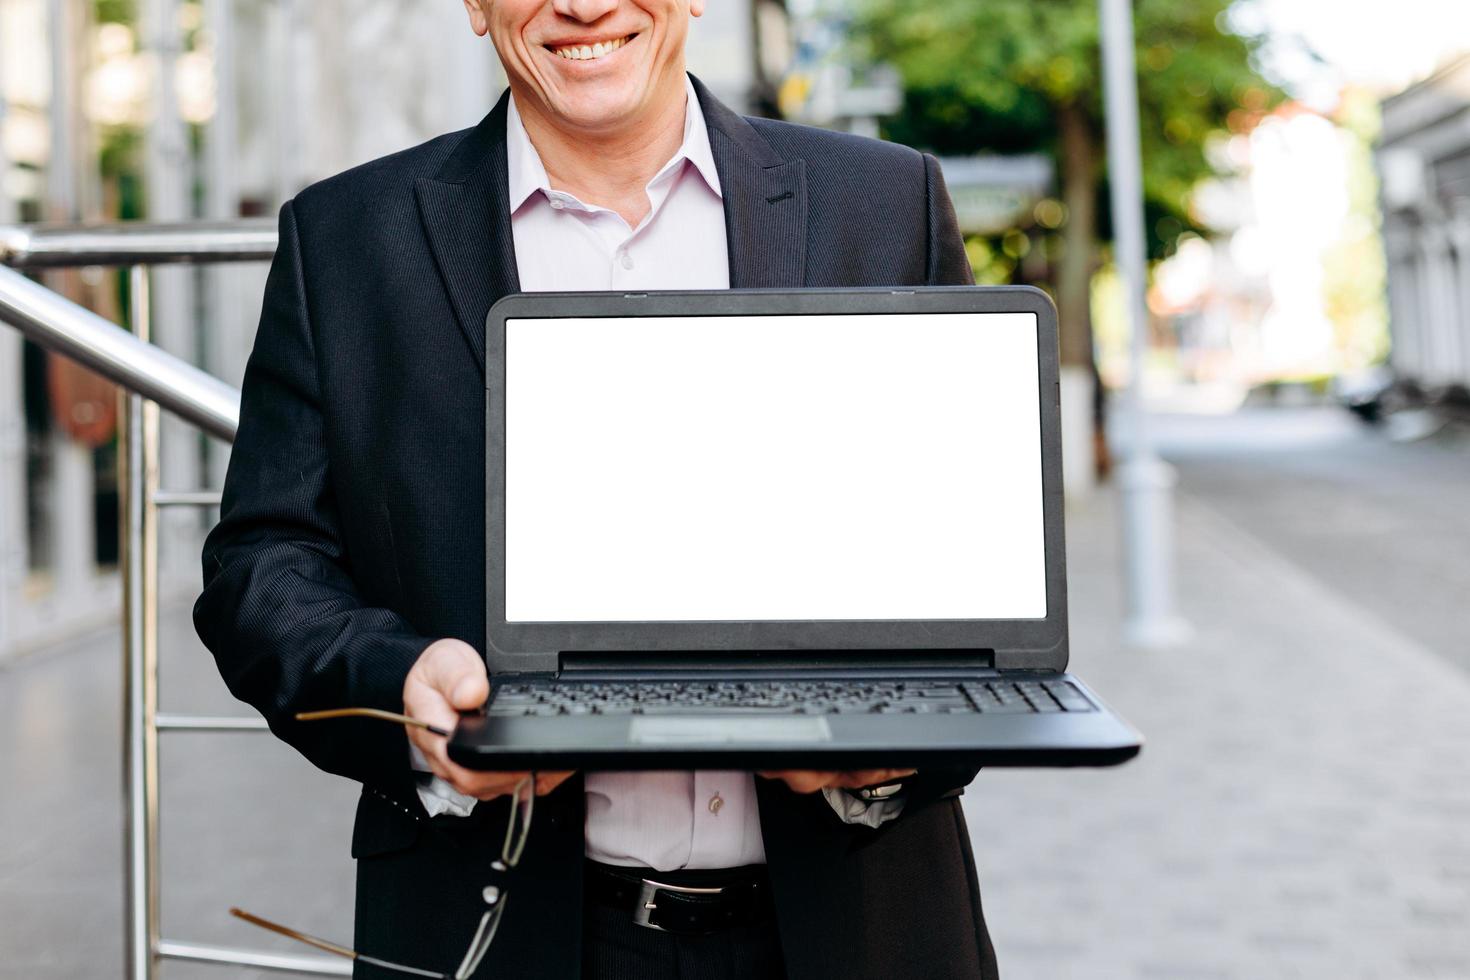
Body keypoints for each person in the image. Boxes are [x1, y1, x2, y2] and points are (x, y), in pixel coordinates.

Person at [194, 0, 1001, 976]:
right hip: (500, 930)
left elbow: (979, 563)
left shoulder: (884, 201)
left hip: (856, 923)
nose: (583, 4)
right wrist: (400, 683)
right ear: (476, 7)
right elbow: (263, 568)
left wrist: (894, 740)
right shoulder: (346, 240)